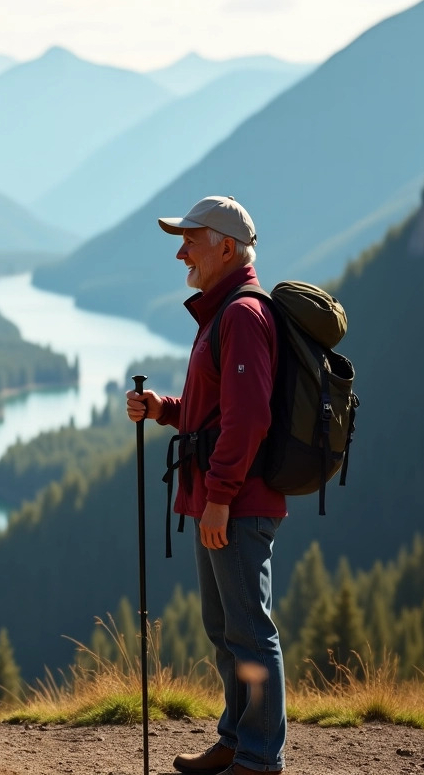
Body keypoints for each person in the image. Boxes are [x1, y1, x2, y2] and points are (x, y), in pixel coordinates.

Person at [126, 196, 286, 775]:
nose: (180, 250)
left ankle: (261, 756)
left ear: (225, 246)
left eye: (190, 239)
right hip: (219, 499)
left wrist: (219, 499)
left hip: (235, 503)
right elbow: (215, 408)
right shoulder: (221, 314)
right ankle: (237, 740)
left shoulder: (242, 315)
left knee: (249, 630)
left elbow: (249, 420)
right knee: (225, 630)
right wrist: (164, 408)